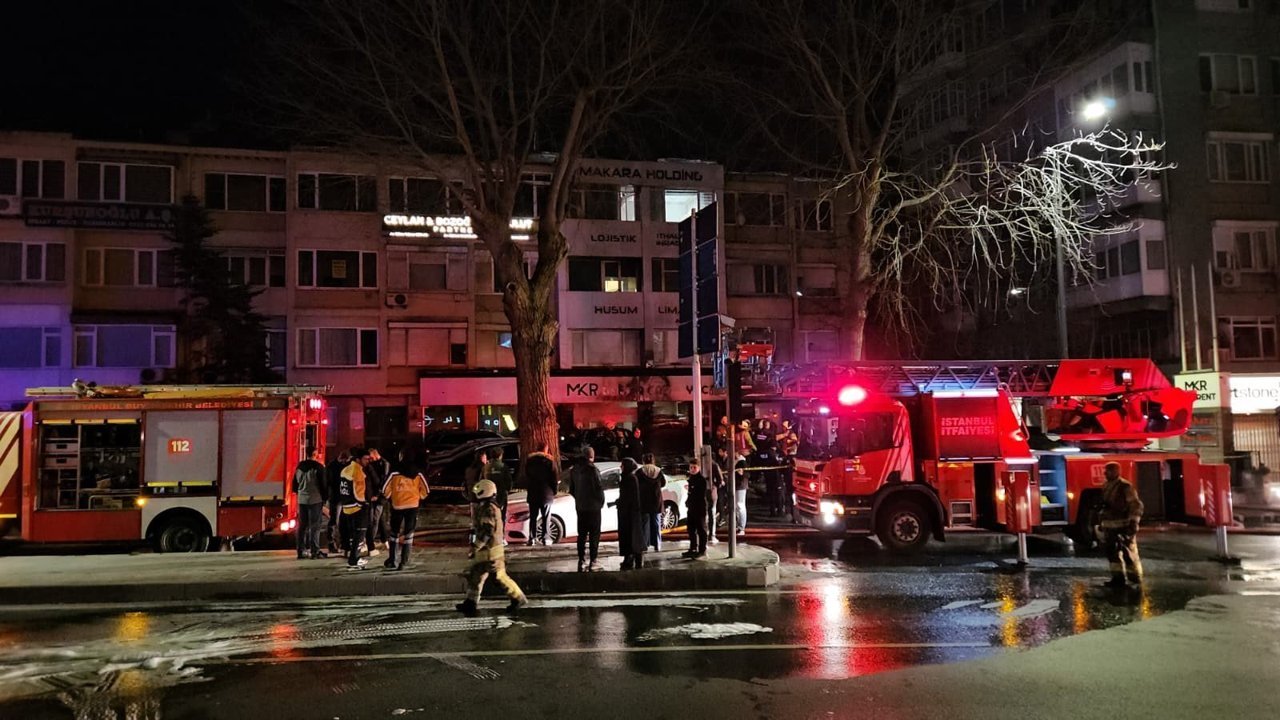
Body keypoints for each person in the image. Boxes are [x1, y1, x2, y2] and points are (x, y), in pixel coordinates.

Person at [455, 479, 527, 616]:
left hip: (491, 551)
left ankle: (518, 598)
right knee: (476, 576)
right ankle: (470, 603)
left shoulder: (489, 508)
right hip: (488, 550)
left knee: (499, 577)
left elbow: (487, 531)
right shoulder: (488, 506)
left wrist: (475, 546)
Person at [1098, 462, 1144, 588]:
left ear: (1116, 471)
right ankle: (1118, 579)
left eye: (1108, 471)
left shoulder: (1125, 487)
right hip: (1109, 526)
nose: (1105, 473)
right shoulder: (1106, 485)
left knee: (1129, 554)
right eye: (1105, 470)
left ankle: (1135, 579)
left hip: (1123, 526)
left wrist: (1133, 522)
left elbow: (1136, 505)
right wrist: (1101, 523)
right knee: (1112, 555)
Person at [381, 454, 430, 570]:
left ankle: (392, 560)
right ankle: (404, 561)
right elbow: (426, 490)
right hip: (412, 505)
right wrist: (418, 497)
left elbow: (384, 489)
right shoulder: (418, 473)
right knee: (409, 534)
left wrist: (391, 497)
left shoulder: (394, 472)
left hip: (397, 505)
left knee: (394, 533)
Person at [568, 447, 605, 572]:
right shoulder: (593, 470)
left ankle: (581, 559)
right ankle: (593, 560)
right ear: (592, 456)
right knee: (594, 535)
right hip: (593, 507)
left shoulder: (574, 470)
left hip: (581, 507)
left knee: (582, 535)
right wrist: (600, 502)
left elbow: (572, 489)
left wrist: (579, 499)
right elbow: (599, 488)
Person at [337, 447, 372, 570]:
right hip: (357, 507)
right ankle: (354, 559)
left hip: (347, 507)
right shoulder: (358, 472)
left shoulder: (345, 469)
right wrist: (363, 503)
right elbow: (358, 491)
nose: (368, 461)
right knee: (360, 533)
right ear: (358, 459)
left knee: (353, 534)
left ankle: (353, 557)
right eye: (366, 459)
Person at [291, 449, 328, 560]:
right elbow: (323, 485)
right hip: (315, 499)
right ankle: (315, 551)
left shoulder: (299, 467)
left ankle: (301, 550)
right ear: (315, 454)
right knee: (315, 526)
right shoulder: (318, 467)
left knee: (302, 526)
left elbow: (294, 485)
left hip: (302, 500)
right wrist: (325, 498)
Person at [524, 444, 559, 545]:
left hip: (533, 493)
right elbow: (554, 478)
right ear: (546, 450)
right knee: (546, 516)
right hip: (546, 493)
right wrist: (554, 491)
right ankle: (546, 538)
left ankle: (532, 538)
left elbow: (526, 476)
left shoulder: (530, 461)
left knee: (533, 517)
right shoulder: (549, 462)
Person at [616, 456, 647, 569]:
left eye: (623, 465)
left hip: (629, 513)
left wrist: (621, 503)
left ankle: (632, 558)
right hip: (629, 512)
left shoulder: (629, 478)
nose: (621, 467)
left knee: (631, 536)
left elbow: (629, 497)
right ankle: (631, 557)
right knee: (630, 536)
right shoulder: (629, 478)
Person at [637, 453, 665, 552]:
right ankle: (657, 544)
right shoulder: (659, 471)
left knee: (645, 524)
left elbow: (636, 484)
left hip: (644, 500)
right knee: (656, 523)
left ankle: (645, 544)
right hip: (656, 500)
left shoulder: (640, 471)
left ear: (643, 460)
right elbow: (663, 483)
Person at [325, 450, 350, 553]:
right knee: (335, 521)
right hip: (337, 497)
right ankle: (334, 544)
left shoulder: (331, 466)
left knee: (336, 521)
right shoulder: (335, 466)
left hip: (338, 497)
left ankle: (337, 544)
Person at [682, 460, 709, 559]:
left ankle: (702, 550)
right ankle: (693, 548)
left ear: (699, 468)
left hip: (699, 508)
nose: (692, 469)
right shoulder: (691, 479)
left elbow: (700, 495)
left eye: (694, 467)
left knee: (701, 529)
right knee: (691, 528)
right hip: (691, 508)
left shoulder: (701, 480)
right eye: (691, 467)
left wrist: (691, 490)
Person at [368, 448, 393, 551]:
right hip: (376, 495)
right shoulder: (374, 464)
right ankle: (385, 539)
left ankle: (370, 542)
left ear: (375, 454)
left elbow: (384, 480)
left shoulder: (384, 464)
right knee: (380, 518)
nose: (370, 459)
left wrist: (377, 494)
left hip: (381, 495)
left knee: (375, 518)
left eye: (371, 457)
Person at [485, 449, 513, 531]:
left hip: (488, 495)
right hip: (501, 495)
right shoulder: (503, 466)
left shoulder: (486, 467)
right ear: (500, 455)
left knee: (489, 514)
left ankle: (490, 532)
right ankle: (500, 533)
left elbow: (481, 480)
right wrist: (507, 490)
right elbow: (509, 481)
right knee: (501, 515)